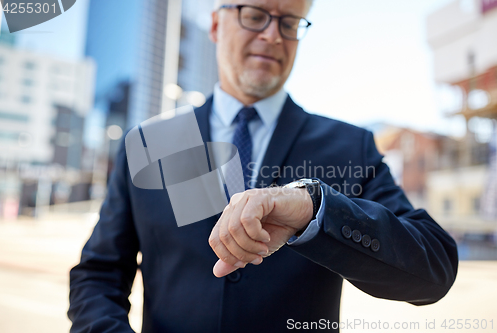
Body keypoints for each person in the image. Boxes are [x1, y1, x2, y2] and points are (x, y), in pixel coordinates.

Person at [68, 0, 459, 332]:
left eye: (289, 22)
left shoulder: (349, 147)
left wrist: (314, 210)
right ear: (217, 25)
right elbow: (98, 274)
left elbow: (434, 270)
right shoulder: (152, 142)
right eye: (255, 15)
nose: (273, 35)